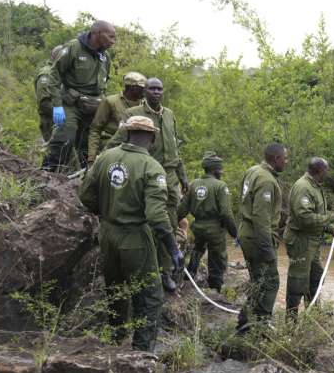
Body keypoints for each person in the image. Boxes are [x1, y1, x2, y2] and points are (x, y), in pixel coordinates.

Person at [79, 115, 183, 352]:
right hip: (135, 236)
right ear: (153, 138)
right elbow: (157, 216)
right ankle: (142, 355)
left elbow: (85, 194)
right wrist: (173, 248)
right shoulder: (151, 167)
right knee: (150, 296)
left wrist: (105, 210)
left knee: (115, 289)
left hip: (107, 234)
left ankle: (115, 340)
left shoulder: (106, 157)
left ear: (127, 133)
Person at [107, 77, 188, 292]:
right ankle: (143, 270)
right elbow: (117, 142)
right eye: (151, 88)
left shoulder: (169, 115)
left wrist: (183, 176)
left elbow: (175, 149)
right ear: (144, 92)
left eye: (159, 89)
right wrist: (102, 163)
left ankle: (165, 271)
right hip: (144, 174)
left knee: (168, 222)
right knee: (145, 221)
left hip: (169, 178)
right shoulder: (134, 115)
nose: (156, 92)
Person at [41, 20, 116, 172]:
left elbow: (103, 83)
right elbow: (54, 76)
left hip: (93, 106)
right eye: (111, 37)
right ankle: (47, 173)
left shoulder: (105, 56)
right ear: (97, 33)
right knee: (64, 138)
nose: (113, 41)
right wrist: (57, 105)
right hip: (71, 104)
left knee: (89, 144)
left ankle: (83, 176)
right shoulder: (73, 48)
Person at [284, 157, 334, 318]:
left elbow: (317, 216)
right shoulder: (303, 188)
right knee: (298, 280)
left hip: (311, 242)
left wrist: (332, 228)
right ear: (319, 171)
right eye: (326, 170)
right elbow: (305, 218)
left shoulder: (315, 187)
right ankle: (291, 320)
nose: (327, 173)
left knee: (316, 276)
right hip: (300, 241)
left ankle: (313, 313)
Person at [236, 143, 287, 331]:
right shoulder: (266, 180)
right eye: (285, 158)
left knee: (258, 280)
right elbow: (261, 217)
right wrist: (267, 249)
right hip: (257, 237)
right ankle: (261, 324)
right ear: (276, 159)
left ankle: (245, 322)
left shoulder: (252, 171)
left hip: (247, 233)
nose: (286, 162)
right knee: (270, 281)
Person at [177, 151, 238, 293]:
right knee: (217, 258)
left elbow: (182, 210)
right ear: (215, 170)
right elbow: (226, 213)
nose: (221, 172)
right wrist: (234, 233)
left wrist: (172, 224)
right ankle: (215, 288)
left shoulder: (193, 184)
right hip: (215, 230)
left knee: (197, 250)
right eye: (220, 170)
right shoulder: (220, 186)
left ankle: (189, 279)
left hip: (197, 227)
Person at [87, 71, 146, 165]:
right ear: (132, 88)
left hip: (135, 147)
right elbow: (95, 129)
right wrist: (91, 158)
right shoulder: (111, 101)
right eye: (142, 88)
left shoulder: (144, 105)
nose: (145, 91)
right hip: (111, 146)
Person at [34, 45, 64, 142]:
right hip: (50, 121)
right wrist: (64, 113)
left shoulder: (60, 71)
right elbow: (44, 103)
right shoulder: (47, 73)